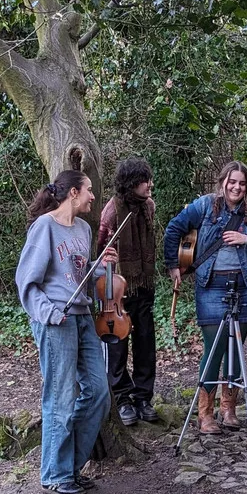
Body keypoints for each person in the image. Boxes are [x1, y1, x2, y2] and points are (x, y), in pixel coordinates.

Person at [15, 170, 117, 494]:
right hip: (55, 319)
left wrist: (101, 265)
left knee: (99, 393)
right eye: (88, 191)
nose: (92, 196)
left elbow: (78, 272)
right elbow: (27, 282)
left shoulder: (85, 228)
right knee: (60, 397)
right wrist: (48, 314)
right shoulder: (44, 227)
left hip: (83, 315)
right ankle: (55, 474)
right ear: (73, 192)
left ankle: (71, 466)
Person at [164, 161, 247, 434]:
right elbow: (174, 229)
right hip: (212, 285)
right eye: (232, 181)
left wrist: (246, 240)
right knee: (214, 348)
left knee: (236, 348)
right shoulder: (203, 206)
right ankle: (205, 414)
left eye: (242, 183)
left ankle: (229, 408)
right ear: (222, 182)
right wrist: (173, 265)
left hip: (245, 285)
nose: (236, 187)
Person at [98, 158, 158, 426]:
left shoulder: (149, 207)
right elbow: (99, 245)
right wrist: (106, 257)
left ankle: (143, 397)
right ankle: (122, 398)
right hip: (118, 288)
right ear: (133, 183)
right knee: (118, 344)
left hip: (143, 283)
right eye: (146, 180)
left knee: (146, 341)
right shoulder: (112, 210)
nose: (150, 185)